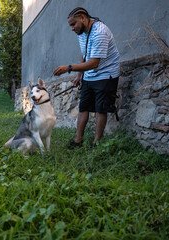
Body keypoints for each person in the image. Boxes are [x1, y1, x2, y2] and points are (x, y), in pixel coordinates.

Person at [53, 7, 120, 148]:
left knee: (101, 109)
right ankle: (78, 141)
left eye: (73, 24)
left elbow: (94, 63)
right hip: (89, 75)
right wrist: (79, 75)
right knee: (83, 107)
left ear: (83, 18)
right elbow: (84, 54)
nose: (72, 28)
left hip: (106, 75)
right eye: (70, 25)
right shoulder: (81, 32)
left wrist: (69, 68)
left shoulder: (100, 32)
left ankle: (97, 143)